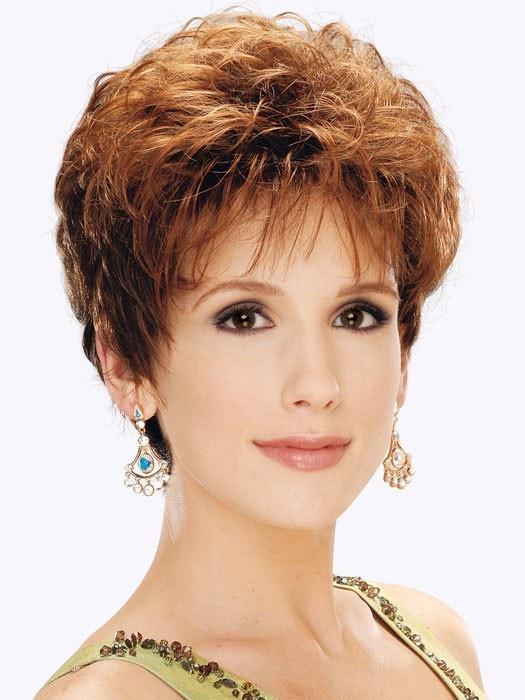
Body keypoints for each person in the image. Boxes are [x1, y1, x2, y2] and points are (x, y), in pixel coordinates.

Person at [35, 8, 488, 699]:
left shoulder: (436, 641)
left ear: (402, 349)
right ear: (126, 363)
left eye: (356, 315)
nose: (317, 383)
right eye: (244, 318)